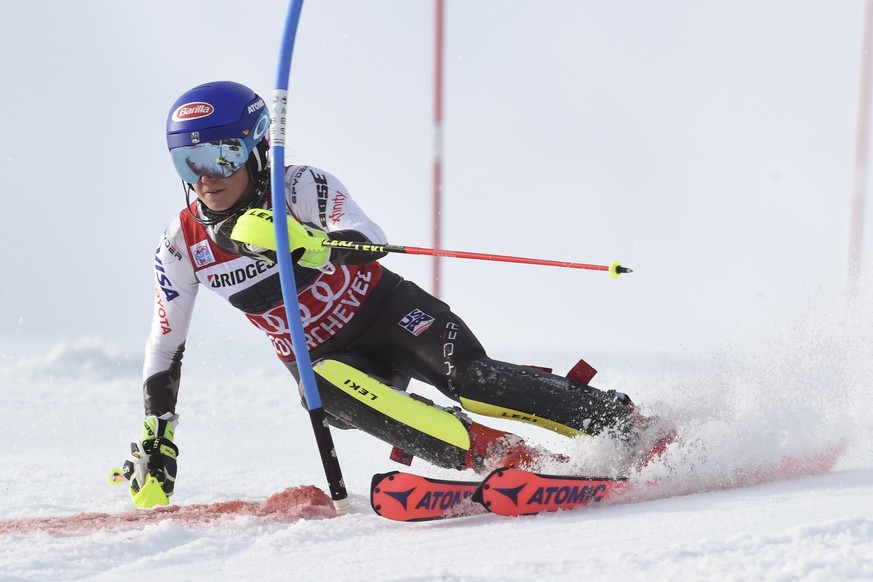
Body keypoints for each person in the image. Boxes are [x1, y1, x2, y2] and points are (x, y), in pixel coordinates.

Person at [119, 80, 649, 509]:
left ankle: (627, 428)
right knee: (322, 388)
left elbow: (369, 238)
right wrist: (156, 430)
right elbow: (164, 346)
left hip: (387, 312)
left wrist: (311, 244)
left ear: (257, 147)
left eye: (222, 154)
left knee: (477, 384)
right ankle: (506, 456)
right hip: (326, 359)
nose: (207, 177)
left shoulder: (299, 186)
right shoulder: (181, 246)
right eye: (189, 162)